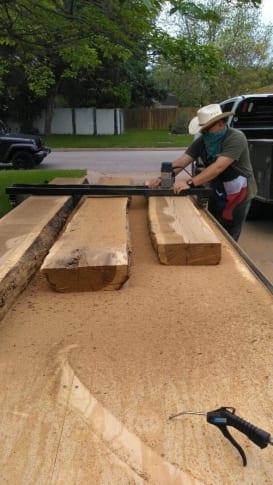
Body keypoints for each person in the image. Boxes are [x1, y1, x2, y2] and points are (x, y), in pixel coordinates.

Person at [149, 104, 257, 241]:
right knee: (214, 225)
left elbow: (218, 167)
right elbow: (182, 162)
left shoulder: (235, 138)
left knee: (229, 234)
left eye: (207, 129)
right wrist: (164, 176)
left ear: (220, 124)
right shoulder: (203, 141)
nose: (204, 133)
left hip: (239, 192)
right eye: (203, 130)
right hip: (218, 188)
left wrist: (190, 182)